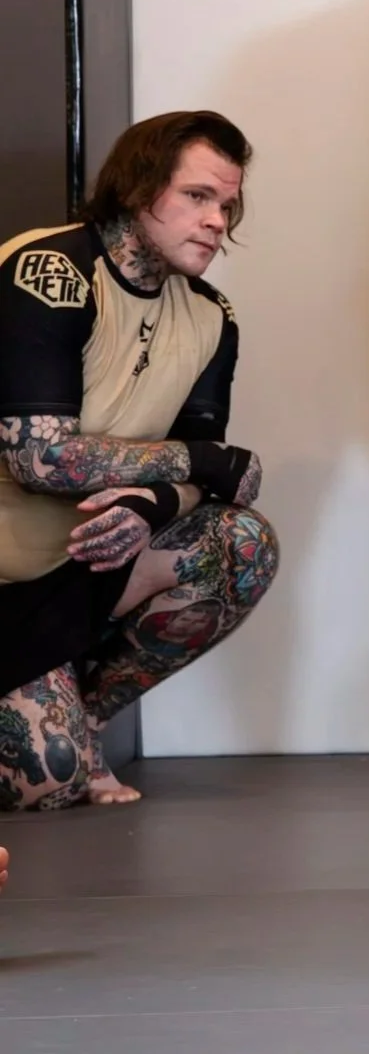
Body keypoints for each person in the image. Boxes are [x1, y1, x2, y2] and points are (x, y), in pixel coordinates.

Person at [0, 112, 280, 810]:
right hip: (4, 573)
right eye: (197, 197)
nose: (218, 220)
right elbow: (39, 457)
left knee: (241, 544)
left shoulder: (212, 317)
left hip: (81, 566)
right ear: (137, 188)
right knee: (50, 785)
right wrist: (194, 462)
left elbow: (221, 484)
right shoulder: (51, 268)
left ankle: (79, 717)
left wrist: (149, 502)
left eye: (228, 203)